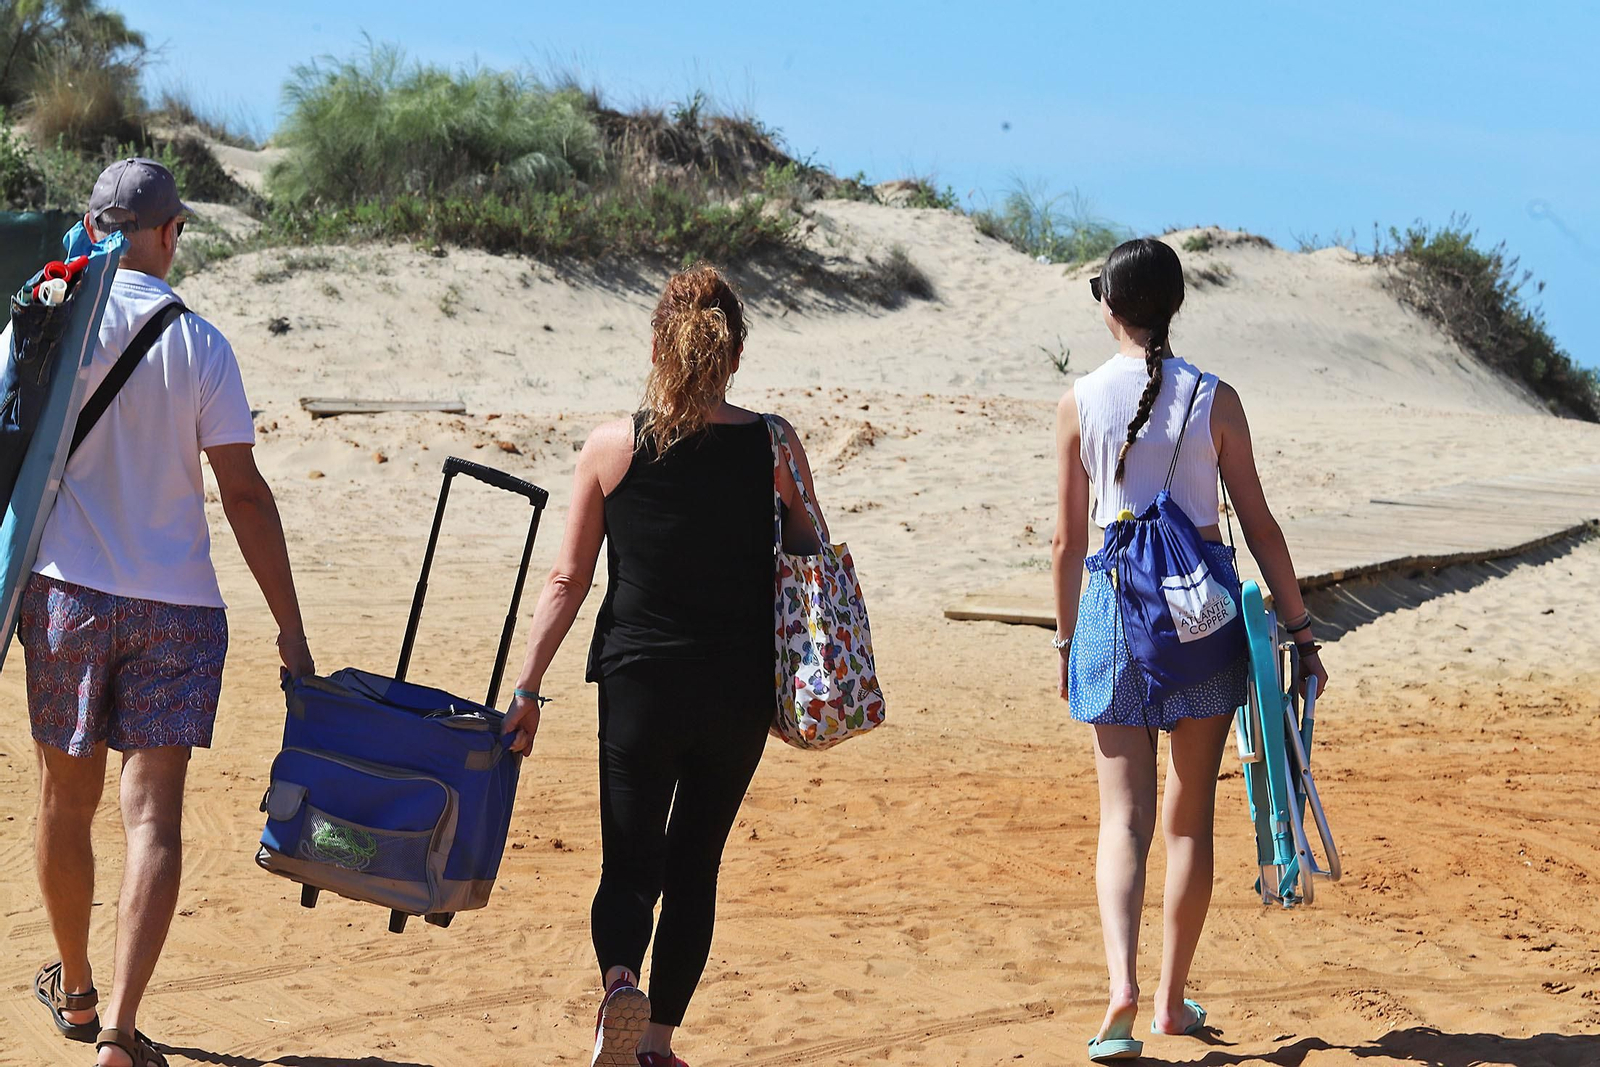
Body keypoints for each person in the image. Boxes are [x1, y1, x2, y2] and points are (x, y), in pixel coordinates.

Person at [20, 158, 315, 1067]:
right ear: (169, 233)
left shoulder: (48, 316)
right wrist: (292, 631)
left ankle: (75, 990)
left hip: (66, 592)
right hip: (178, 606)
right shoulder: (202, 344)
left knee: (66, 802)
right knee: (152, 818)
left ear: (94, 226)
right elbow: (245, 497)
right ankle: (119, 1031)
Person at [501, 263, 824, 1067]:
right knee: (695, 866)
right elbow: (815, 559)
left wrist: (528, 686)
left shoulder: (613, 446)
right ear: (736, 355)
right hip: (737, 689)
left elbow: (568, 580)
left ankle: (617, 983)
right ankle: (657, 1042)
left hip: (639, 681)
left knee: (628, 857)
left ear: (657, 344)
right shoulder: (776, 444)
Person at [1051, 237, 1329, 1062]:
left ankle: (1120, 989)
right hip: (1202, 613)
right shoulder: (1215, 398)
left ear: (1110, 306)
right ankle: (1171, 996)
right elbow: (1261, 523)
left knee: (1122, 817)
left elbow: (1068, 541)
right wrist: (1302, 630)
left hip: (1109, 607)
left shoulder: (1078, 401)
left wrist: (1068, 639)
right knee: (1188, 815)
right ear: (1174, 306)